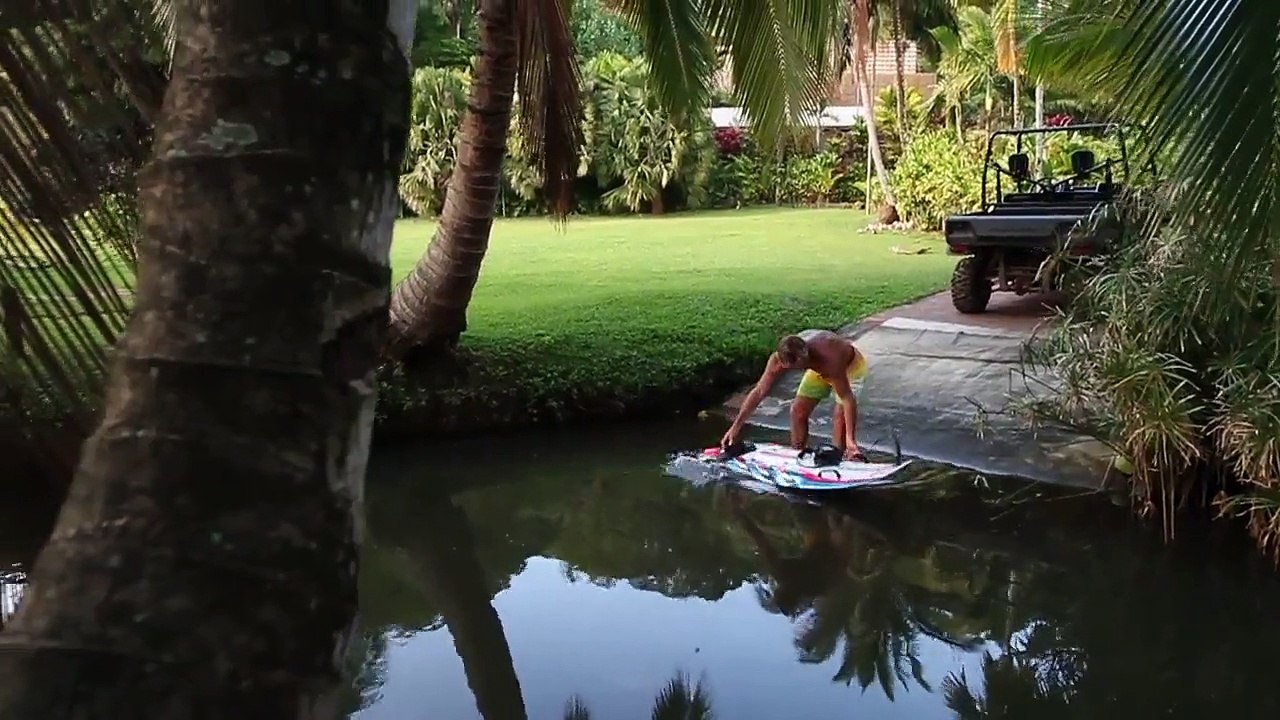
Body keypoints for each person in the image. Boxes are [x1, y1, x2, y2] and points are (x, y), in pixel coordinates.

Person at [720, 330, 868, 461]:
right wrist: (735, 427)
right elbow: (759, 391)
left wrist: (850, 440)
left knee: (840, 417)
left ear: (806, 353)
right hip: (818, 369)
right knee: (798, 410)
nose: (798, 370)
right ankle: (797, 454)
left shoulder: (829, 358)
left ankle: (838, 457)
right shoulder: (778, 360)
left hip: (850, 367)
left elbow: (847, 399)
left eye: (801, 364)